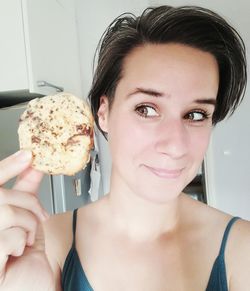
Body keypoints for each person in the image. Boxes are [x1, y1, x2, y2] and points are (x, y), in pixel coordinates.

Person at [0, 5, 249, 291]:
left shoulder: (242, 252)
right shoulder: (42, 245)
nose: (175, 145)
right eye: (146, 109)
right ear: (103, 113)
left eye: (196, 115)